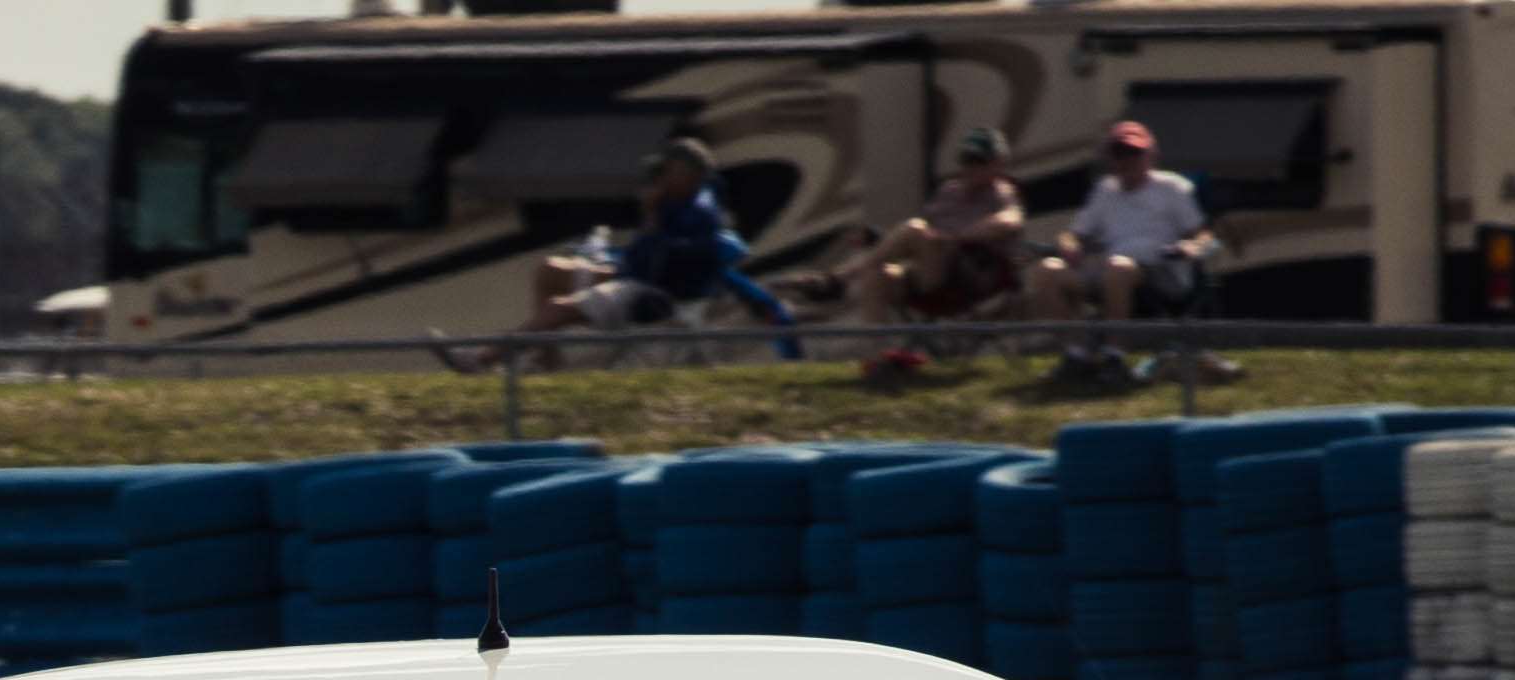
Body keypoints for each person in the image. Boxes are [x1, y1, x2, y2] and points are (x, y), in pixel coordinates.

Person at [441, 137, 791, 366]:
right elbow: (646, 253)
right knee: (551, 271)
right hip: (632, 272)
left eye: (667, 171)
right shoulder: (679, 200)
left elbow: (662, 261)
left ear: (686, 175)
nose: (659, 178)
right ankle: (548, 362)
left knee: (558, 308)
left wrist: (651, 215)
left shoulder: (697, 213)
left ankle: (480, 359)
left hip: (653, 292)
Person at [795, 127, 1027, 328]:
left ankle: (838, 279)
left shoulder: (1002, 192)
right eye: (967, 160)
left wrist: (957, 236)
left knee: (914, 229)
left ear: (997, 164)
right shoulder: (950, 191)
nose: (970, 167)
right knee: (877, 275)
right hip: (928, 270)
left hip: (966, 276)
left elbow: (1010, 220)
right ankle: (879, 361)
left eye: (979, 161)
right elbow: (918, 237)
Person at [1027, 118, 1218, 321]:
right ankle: (1074, 347)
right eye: (1120, 154)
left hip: (1159, 272)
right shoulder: (1105, 191)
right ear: (1110, 158)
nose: (1127, 160)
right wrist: (1069, 245)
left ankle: (1115, 346)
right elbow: (1073, 235)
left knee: (1118, 268)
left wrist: (1191, 247)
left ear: (1150, 155)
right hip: (1108, 269)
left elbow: (1203, 235)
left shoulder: (1172, 188)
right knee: (1047, 270)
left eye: (1134, 153)